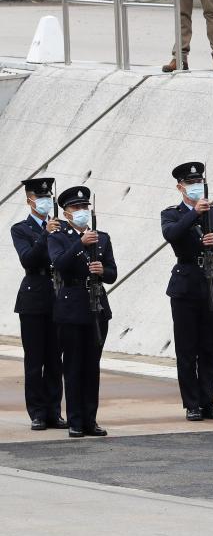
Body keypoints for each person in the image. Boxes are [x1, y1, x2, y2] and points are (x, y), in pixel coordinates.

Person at [161, 162, 213, 422]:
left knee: (208, 347)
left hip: (209, 281)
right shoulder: (173, 214)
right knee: (187, 348)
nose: (196, 187)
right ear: (181, 187)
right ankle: (191, 403)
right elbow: (172, 235)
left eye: (199, 182)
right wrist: (194, 214)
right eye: (190, 183)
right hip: (185, 284)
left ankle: (207, 399)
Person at [48, 186, 117, 438]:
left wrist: (102, 271)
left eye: (84, 207)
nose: (81, 212)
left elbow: (112, 273)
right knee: (74, 365)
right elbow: (58, 264)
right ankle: (75, 420)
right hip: (71, 305)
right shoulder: (58, 237)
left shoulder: (103, 237)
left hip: (96, 305)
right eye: (76, 208)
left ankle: (90, 419)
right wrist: (79, 243)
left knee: (92, 366)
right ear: (66, 213)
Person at [11, 177, 66, 430]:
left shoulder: (61, 227)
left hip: (59, 296)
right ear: (30, 200)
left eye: (48, 197)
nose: (45, 201)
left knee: (56, 359)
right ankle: (37, 412)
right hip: (34, 296)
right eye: (40, 197)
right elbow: (29, 260)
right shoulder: (21, 229)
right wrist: (45, 235)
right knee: (35, 359)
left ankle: (54, 410)